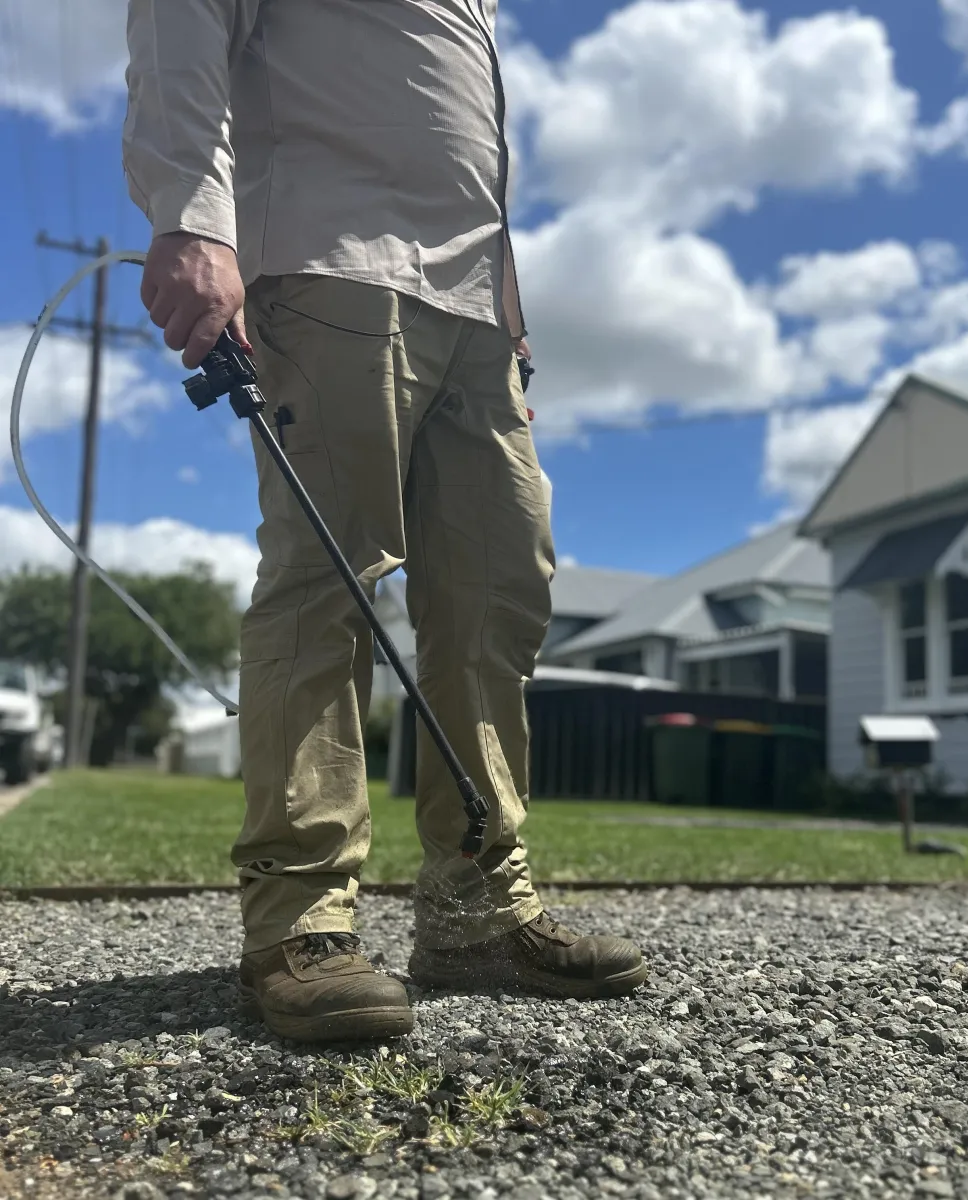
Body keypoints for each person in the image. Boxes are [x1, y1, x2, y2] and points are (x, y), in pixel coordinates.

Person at [123, 0, 647, 1044]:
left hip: (474, 317)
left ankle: (477, 911)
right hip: (330, 266)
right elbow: (185, 20)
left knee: (502, 591)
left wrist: (512, 322)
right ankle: (298, 923)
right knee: (330, 583)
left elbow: (472, 153)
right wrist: (191, 214)